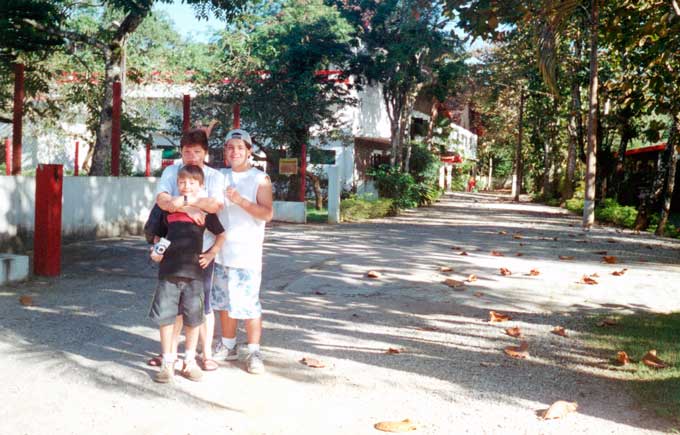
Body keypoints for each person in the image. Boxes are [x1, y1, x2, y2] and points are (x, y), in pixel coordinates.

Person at [151, 128, 224, 371]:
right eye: (186, 151)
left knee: (203, 303)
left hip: (201, 252)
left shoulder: (214, 176)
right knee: (174, 306)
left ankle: (204, 354)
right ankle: (169, 356)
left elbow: (214, 205)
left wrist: (186, 202)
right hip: (174, 252)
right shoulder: (172, 171)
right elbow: (163, 202)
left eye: (196, 151)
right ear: (181, 152)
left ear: (205, 153)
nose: (191, 156)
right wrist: (188, 206)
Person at [211, 129, 273, 374]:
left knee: (248, 304)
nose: (234, 151)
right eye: (229, 147)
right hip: (220, 252)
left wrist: (240, 201)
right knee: (225, 303)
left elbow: (267, 214)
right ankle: (228, 345)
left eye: (240, 147)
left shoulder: (260, 178)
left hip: (246, 254)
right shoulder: (219, 176)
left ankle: (254, 350)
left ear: (249, 151)